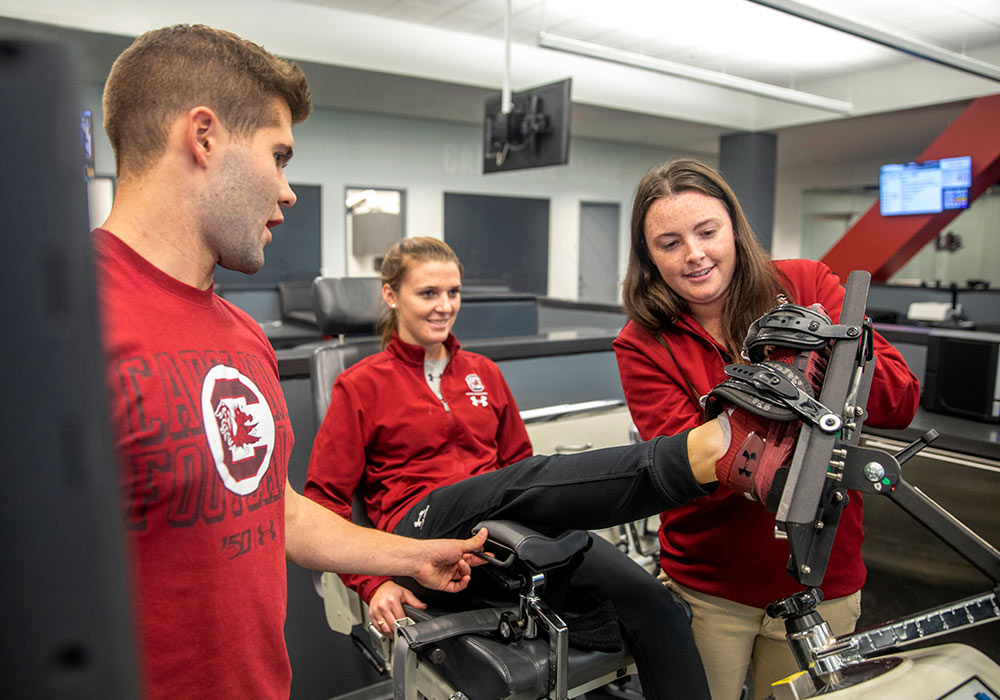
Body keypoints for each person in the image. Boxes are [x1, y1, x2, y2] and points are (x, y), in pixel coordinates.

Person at [93, 25, 491, 700]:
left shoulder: (245, 337)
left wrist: (414, 555)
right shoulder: (60, 328)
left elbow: (279, 512)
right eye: (279, 156)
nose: (289, 191)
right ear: (204, 136)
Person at [305, 237, 784, 700]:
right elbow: (323, 503)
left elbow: (520, 469)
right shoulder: (360, 385)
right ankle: (700, 455)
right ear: (391, 295)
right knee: (518, 481)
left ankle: (686, 466)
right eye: (427, 293)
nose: (444, 306)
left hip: (498, 537)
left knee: (656, 607)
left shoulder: (482, 372)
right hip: (420, 536)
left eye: (453, 293)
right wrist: (373, 580)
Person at [612, 158, 921, 700]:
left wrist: (829, 356)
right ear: (648, 257)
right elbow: (691, 470)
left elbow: (899, 400)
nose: (695, 254)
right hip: (709, 587)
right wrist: (789, 394)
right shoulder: (643, 341)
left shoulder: (807, 283)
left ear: (735, 226)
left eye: (708, 232)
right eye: (669, 242)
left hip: (821, 577)